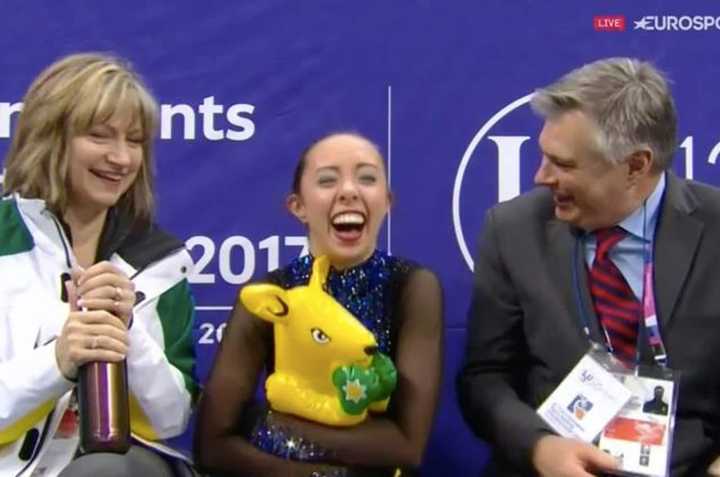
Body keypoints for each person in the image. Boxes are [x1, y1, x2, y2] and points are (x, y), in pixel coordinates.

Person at [457, 57, 720, 476]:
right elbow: (484, 378)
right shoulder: (512, 231)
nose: (541, 176)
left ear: (636, 165)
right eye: (544, 156)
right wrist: (541, 448)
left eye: (563, 164)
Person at [194, 132, 443, 477]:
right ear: (298, 207)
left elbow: (406, 445)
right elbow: (213, 445)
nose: (349, 191)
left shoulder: (413, 286)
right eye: (327, 180)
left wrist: (267, 424)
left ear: (387, 201)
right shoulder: (271, 293)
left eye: (367, 178)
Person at [0, 53, 198, 476]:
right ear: (51, 136)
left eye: (135, 140)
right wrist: (57, 361)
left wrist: (128, 336)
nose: (121, 158)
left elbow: (171, 418)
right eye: (100, 136)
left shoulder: (160, 260)